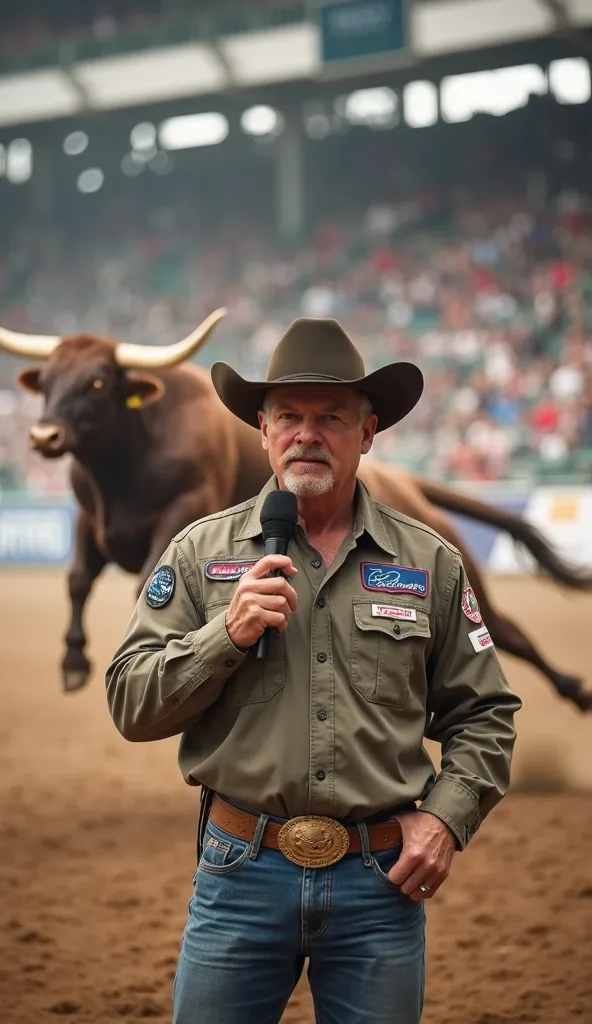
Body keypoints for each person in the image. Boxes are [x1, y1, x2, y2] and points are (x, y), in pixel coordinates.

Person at [105, 317, 521, 1024]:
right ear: (262, 432)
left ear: (366, 433)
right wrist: (224, 635)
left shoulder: (429, 563)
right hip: (238, 875)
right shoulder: (199, 553)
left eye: (330, 417)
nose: (307, 434)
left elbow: (486, 713)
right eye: (289, 417)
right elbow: (131, 704)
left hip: (379, 884)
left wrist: (446, 822)